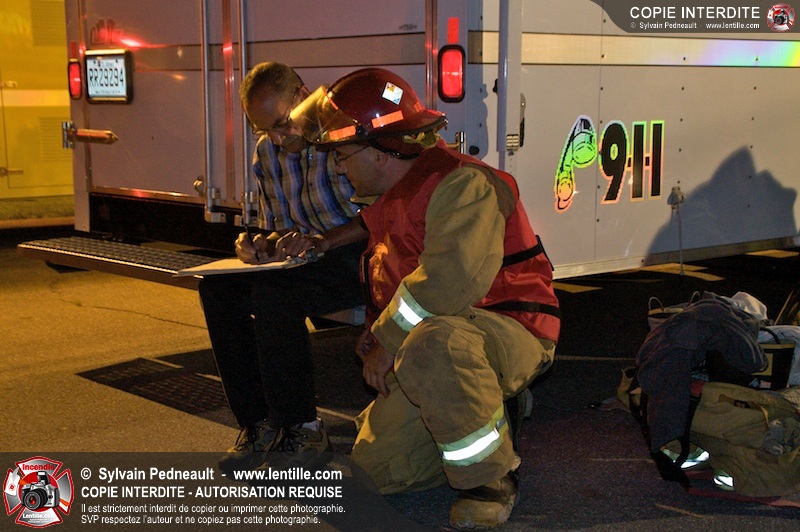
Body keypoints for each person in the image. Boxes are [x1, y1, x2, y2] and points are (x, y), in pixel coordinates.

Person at [292, 68, 561, 529]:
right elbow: (400, 277)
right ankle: (485, 410)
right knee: (375, 472)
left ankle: (491, 482)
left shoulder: (462, 184)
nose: (337, 167)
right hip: (444, 337)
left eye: (341, 154)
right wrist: (377, 332)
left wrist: (388, 339)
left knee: (434, 344)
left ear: (381, 150)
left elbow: (449, 282)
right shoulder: (395, 194)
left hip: (508, 329)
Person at [198, 62, 368, 461]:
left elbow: (382, 215)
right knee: (217, 289)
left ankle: (303, 430)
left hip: (360, 251)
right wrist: (257, 243)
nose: (277, 137)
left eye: (281, 123)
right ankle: (257, 423)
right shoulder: (267, 153)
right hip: (311, 256)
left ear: (302, 96)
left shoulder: (345, 133)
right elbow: (277, 226)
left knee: (276, 296)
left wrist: (323, 241)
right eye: (264, 130)